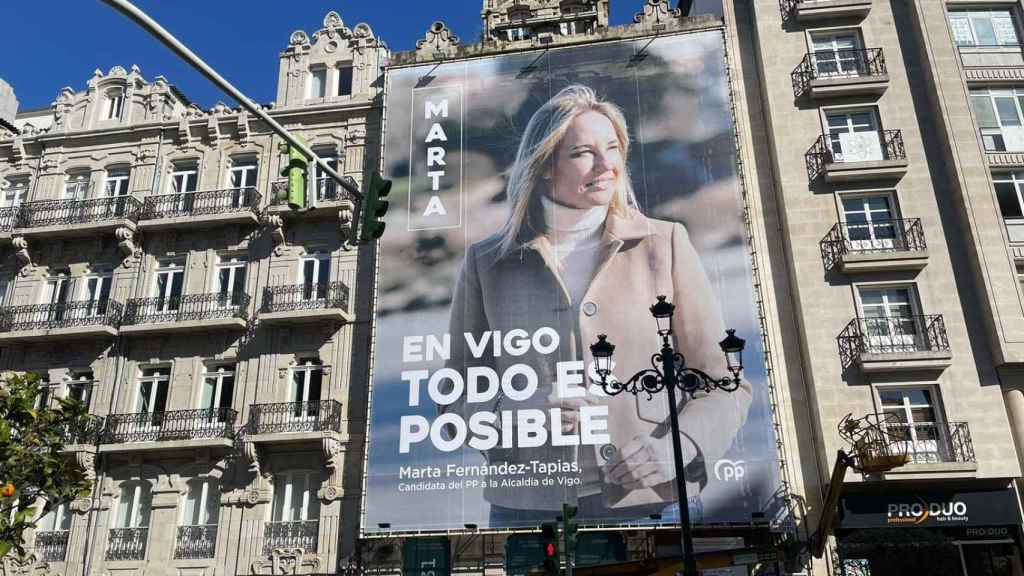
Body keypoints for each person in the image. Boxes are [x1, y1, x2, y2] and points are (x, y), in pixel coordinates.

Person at [443, 84, 752, 524]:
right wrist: (520, 413)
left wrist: (677, 448)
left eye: (613, 148)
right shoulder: (486, 262)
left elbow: (723, 382)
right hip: (527, 511)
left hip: (654, 503)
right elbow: (453, 396)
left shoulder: (665, 244)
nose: (606, 165)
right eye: (583, 153)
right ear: (546, 164)